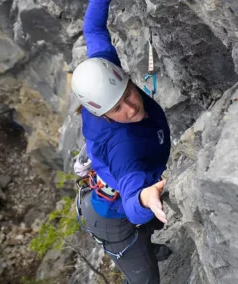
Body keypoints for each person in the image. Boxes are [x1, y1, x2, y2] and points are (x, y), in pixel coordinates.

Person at [71, 0, 171, 283]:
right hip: (111, 217)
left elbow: (93, 29)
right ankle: (140, 253)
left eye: (129, 94)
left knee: (151, 224)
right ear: (102, 112)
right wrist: (144, 197)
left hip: (110, 192)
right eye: (117, 109)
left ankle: (147, 245)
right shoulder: (123, 146)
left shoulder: (106, 75)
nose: (131, 108)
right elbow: (130, 203)